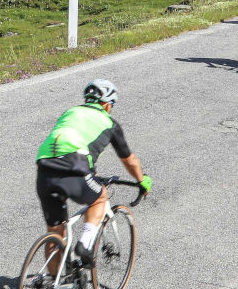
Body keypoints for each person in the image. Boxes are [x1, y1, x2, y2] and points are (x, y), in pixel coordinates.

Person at [35, 79, 152, 272]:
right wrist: (142, 181)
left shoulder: (69, 112)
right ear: (107, 104)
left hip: (45, 167)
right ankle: (86, 244)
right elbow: (129, 160)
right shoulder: (109, 123)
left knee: (55, 233)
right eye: (111, 105)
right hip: (74, 165)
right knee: (100, 197)